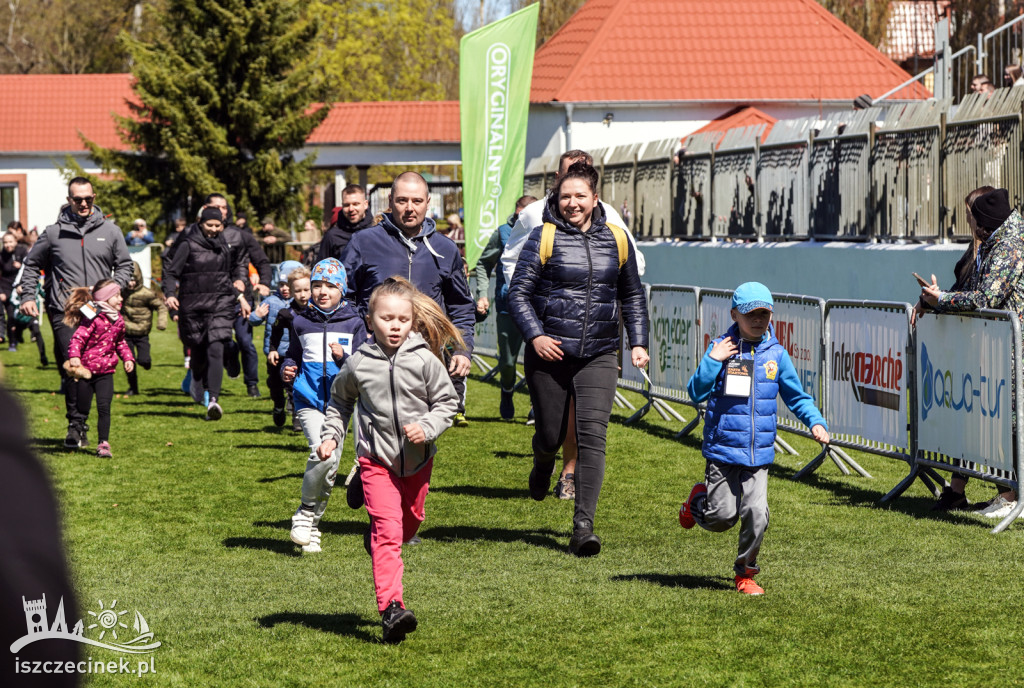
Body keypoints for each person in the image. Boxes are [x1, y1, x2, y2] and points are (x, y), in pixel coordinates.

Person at [508, 161, 650, 557]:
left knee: (592, 438)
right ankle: (542, 463)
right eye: (565, 196)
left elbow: (633, 296)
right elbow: (517, 294)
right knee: (551, 435)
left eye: (580, 196)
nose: (572, 203)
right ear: (556, 197)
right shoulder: (543, 236)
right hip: (549, 354)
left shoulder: (617, 240)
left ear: (595, 199)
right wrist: (535, 336)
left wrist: (637, 341)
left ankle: (583, 525)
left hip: (600, 354)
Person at [317, 276, 460, 643]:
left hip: (417, 461)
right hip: (375, 459)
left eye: (402, 319)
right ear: (369, 321)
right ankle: (392, 609)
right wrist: (331, 436)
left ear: (412, 322)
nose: (394, 326)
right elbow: (340, 402)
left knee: (409, 524)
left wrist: (427, 427)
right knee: (389, 531)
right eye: (386, 318)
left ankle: (375, 526)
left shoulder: (426, 361)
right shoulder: (358, 363)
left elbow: (447, 404)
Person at [680, 282, 829, 595]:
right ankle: (696, 501)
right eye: (751, 314)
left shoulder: (777, 355)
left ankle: (745, 573)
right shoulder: (721, 348)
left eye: (764, 313)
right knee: (722, 518)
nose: (758, 320)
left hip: (759, 455)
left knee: (757, 514)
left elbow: (797, 396)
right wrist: (714, 359)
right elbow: (695, 392)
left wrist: (815, 422)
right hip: (722, 451)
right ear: (735, 314)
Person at [920, 187, 1024, 519]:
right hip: (997, 347)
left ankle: (1013, 497)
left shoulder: (1007, 248)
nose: (972, 226)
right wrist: (938, 298)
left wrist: (942, 301)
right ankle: (1004, 494)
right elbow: (972, 291)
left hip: (1011, 348)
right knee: (998, 423)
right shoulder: (994, 244)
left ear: (986, 222)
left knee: (1010, 424)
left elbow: (984, 299)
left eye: (974, 219)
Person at [342, 171, 475, 427]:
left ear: (428, 202)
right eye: (402, 200)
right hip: (374, 355)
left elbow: (461, 306)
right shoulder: (363, 242)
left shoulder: (446, 249)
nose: (409, 208)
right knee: (376, 428)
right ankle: (369, 467)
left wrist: (462, 349)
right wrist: (361, 334)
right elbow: (344, 296)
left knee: (417, 437)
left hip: (425, 359)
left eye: (416, 201)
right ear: (390, 202)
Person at [19, 177, 134, 449]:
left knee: (93, 367)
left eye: (88, 198)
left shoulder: (111, 231)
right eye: (77, 199)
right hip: (65, 310)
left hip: (98, 312)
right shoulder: (53, 232)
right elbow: (32, 265)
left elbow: (125, 266)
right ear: (69, 200)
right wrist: (27, 296)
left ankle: (81, 421)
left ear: (94, 196)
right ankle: (76, 425)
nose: (83, 203)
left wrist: (110, 294)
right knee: (75, 364)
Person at [282, 259, 367, 554]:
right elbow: (292, 355)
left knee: (330, 467)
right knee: (319, 450)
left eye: (330, 286)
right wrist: (288, 368)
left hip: (340, 405)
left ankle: (313, 526)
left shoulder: (355, 322)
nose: (321, 291)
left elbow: (362, 368)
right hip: (307, 401)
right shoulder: (300, 321)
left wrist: (344, 357)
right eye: (317, 285)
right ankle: (304, 514)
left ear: (342, 289)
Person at [163, 206, 250, 421]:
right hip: (193, 305)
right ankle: (196, 378)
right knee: (199, 352)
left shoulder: (225, 245)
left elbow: (234, 269)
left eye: (217, 225)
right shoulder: (188, 243)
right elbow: (171, 271)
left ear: (222, 225)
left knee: (217, 347)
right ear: (201, 224)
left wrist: (239, 289)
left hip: (220, 303)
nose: (213, 229)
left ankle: (213, 400)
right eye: (209, 225)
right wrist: (169, 293)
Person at [474, 194, 536, 420]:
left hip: (538, 308)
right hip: (507, 306)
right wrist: (483, 294)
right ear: (516, 211)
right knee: (508, 361)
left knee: (538, 359)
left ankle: (536, 405)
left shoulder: (547, 230)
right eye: (520, 215)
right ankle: (507, 390)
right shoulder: (502, 232)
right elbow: (482, 264)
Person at [64, 279, 136, 457]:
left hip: (106, 372)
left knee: (104, 407)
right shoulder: (92, 315)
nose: (121, 299)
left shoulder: (118, 319)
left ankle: (103, 443)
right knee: (82, 407)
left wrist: (128, 357)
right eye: (117, 296)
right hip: (87, 372)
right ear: (105, 298)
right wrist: (74, 356)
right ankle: (78, 431)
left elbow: (120, 342)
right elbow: (77, 338)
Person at [251, 260, 303, 426]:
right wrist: (257, 316)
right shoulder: (271, 301)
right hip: (274, 354)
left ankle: (296, 416)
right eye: (281, 284)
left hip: (294, 353)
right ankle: (279, 406)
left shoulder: (301, 304)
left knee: (294, 385)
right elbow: (254, 321)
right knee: (274, 384)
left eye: (288, 285)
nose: (285, 288)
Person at [269, 266, 313, 432]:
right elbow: (276, 331)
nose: (302, 295)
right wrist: (273, 349)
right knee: (289, 385)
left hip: (314, 356)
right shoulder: (286, 313)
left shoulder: (319, 311)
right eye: (298, 291)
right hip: (294, 355)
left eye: (306, 290)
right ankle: (296, 415)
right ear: (291, 291)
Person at [121, 261, 169, 396]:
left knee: (143, 360)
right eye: (128, 280)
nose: (130, 283)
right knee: (129, 362)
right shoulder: (121, 292)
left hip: (142, 333)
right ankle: (133, 388)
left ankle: (146, 363)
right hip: (125, 334)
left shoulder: (146, 294)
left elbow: (161, 306)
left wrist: (162, 323)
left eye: (133, 280)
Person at [317, 184, 373, 262]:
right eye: (346, 205)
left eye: (355, 204)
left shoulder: (377, 231)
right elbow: (321, 269)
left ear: (365, 204)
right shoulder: (332, 236)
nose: (351, 209)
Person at [0, 231, 28, 350]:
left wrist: (20, 265)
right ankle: (9, 340)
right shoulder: (1, 255)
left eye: (10, 242)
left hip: (18, 287)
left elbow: (28, 268)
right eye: (5, 242)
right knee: (7, 314)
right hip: (5, 287)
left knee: (17, 317)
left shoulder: (22, 251)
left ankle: (17, 335)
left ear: (16, 241)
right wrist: (1, 291)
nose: (8, 245)